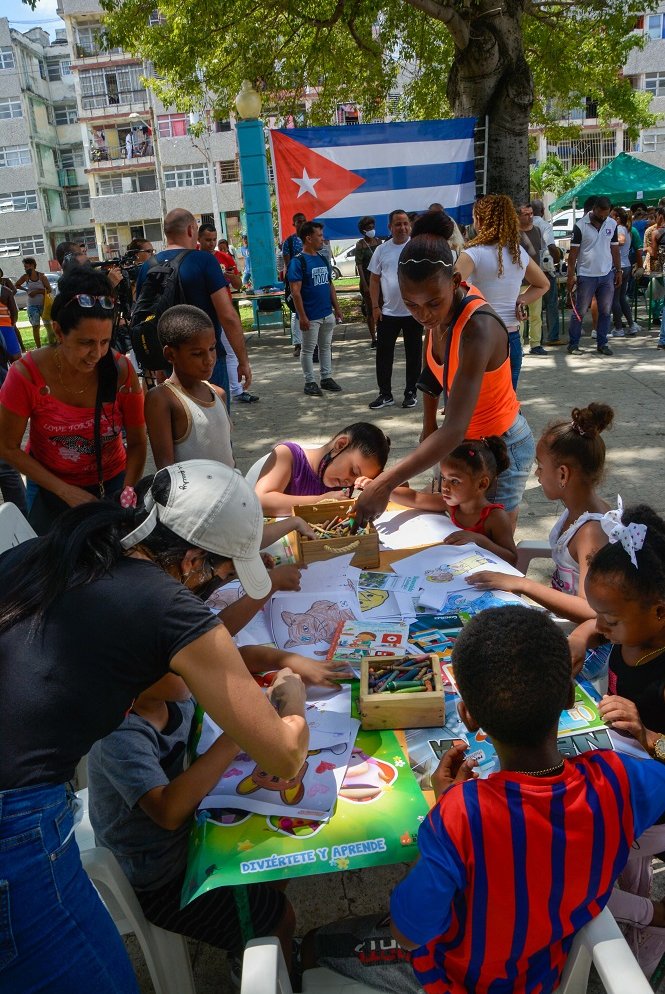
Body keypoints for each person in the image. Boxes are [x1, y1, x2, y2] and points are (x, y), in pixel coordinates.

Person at [0, 459, 309, 991]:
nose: (220, 586)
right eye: (223, 572)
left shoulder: (74, 543)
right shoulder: (165, 605)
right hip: (16, 818)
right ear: (191, 560)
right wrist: (293, 699)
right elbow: (282, 755)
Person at [302, 606, 665, 994]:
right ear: (567, 698)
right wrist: (652, 739)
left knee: (315, 945)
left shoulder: (461, 814)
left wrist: (445, 810)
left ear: (468, 716)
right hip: (544, 968)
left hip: (458, 980)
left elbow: (408, 933)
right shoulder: (619, 778)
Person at [87, 669, 298, 972]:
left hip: (196, 834)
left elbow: (233, 670)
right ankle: (275, 964)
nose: (193, 662)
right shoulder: (118, 735)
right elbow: (168, 813)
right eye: (178, 657)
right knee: (280, 918)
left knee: (277, 856)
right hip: (161, 880)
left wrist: (278, 668)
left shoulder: (176, 696)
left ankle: (248, 942)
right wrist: (238, 734)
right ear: (134, 666)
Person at [353, 210, 536, 532]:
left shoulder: (477, 328)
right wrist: (426, 428)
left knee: (490, 537)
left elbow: (453, 427)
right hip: (460, 445)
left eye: (433, 303)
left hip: (500, 447)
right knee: (447, 526)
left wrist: (384, 484)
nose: (423, 315)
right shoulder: (437, 314)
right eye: (411, 305)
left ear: (455, 282)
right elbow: (431, 377)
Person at [569, 504, 665, 978]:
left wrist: (649, 734)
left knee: (592, 843)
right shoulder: (630, 631)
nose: (602, 626)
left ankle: (644, 932)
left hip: (657, 797)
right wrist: (583, 633)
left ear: (659, 610)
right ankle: (620, 913)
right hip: (625, 769)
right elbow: (596, 628)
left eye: (609, 618)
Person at [0, 268, 146, 535]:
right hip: (50, 489)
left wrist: (127, 489)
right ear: (58, 331)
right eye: (86, 342)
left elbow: (137, 442)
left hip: (112, 483)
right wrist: (66, 492)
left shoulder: (121, 371)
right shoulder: (26, 375)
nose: (97, 354)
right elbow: (7, 447)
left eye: (104, 341)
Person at [468, 402, 614, 624]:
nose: (537, 473)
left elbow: (590, 611)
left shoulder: (592, 533)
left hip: (576, 636)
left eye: (541, 467)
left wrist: (522, 583)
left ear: (563, 474)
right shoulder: (589, 508)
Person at [135, 208, 252, 405]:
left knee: (181, 427)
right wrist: (243, 361)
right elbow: (228, 316)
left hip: (170, 361)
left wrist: (155, 365)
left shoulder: (148, 266)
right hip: (206, 359)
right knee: (215, 424)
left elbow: (144, 317)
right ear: (191, 230)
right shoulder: (204, 261)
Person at [456, 195, 549, 388]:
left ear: (480, 221)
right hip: (511, 338)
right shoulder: (518, 253)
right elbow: (543, 284)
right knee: (507, 404)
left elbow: (449, 291)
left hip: (479, 337)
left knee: (477, 405)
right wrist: (520, 300)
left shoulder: (472, 253)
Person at [391, 435, 518, 563]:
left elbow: (512, 558)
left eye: (455, 481)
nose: (444, 486)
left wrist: (479, 540)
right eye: (444, 478)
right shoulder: (450, 504)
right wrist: (384, 489)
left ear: (482, 484)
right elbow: (415, 498)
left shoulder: (495, 517)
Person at [145, 305, 234, 469]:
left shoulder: (218, 393)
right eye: (197, 353)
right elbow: (167, 470)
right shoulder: (162, 399)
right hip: (191, 494)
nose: (209, 360)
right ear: (171, 355)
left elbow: (228, 456)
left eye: (212, 348)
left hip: (229, 490)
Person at [253, 422, 391, 516]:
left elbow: (404, 490)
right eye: (353, 471)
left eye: (357, 479)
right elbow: (260, 501)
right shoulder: (288, 455)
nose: (349, 483)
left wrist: (375, 486)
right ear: (340, 445)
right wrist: (320, 501)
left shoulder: (345, 482)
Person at [367, 209, 422, 410]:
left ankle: (410, 392)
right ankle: (385, 394)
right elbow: (374, 279)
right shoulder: (382, 250)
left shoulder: (417, 248)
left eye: (406, 223)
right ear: (390, 227)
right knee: (383, 355)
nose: (403, 228)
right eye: (398, 224)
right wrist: (375, 306)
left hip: (413, 313)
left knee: (414, 355)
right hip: (388, 313)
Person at [198, 222, 258, 403]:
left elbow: (239, 284)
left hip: (223, 312)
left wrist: (232, 277)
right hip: (202, 315)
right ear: (198, 239)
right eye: (207, 240)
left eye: (214, 240)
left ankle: (237, 391)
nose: (211, 243)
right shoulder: (193, 259)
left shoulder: (224, 258)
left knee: (231, 352)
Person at [287, 221, 344, 397]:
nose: (322, 239)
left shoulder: (321, 258)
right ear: (308, 238)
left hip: (327, 313)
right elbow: (295, 293)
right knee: (308, 349)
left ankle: (326, 378)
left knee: (326, 347)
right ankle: (309, 381)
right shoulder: (298, 262)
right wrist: (302, 316)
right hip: (310, 316)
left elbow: (329, 285)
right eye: (319, 236)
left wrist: (337, 308)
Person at [566, 195, 622, 357]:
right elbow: (573, 255)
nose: (604, 217)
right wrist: (571, 276)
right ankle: (573, 344)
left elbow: (615, 249)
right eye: (601, 214)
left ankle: (602, 343)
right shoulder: (580, 226)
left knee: (605, 311)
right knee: (580, 311)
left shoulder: (612, 224)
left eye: (607, 214)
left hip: (606, 274)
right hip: (586, 275)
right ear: (595, 209)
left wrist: (618, 270)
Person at [530, 198, 563, 345]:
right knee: (551, 304)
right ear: (543, 211)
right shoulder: (545, 226)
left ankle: (534, 338)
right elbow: (551, 247)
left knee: (532, 307)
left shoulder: (525, 225)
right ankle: (552, 336)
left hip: (528, 270)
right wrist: (557, 260)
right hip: (544, 270)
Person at [518, 203, 548, 355]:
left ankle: (535, 344)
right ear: (518, 216)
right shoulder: (513, 233)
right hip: (519, 281)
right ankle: (519, 344)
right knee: (519, 315)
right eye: (526, 214)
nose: (530, 217)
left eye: (531, 214)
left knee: (536, 314)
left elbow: (540, 253)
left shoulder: (537, 230)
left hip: (535, 281)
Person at [611, 207, 640, 337]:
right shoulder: (627, 229)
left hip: (620, 267)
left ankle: (618, 328)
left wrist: (611, 242)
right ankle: (631, 325)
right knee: (621, 297)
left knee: (615, 299)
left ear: (617, 218)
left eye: (611, 216)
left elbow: (621, 241)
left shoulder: (620, 229)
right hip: (626, 265)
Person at [354, 216, 382, 348]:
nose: (372, 230)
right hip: (367, 280)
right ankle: (374, 338)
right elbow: (359, 265)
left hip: (381, 280)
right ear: (363, 230)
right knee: (371, 309)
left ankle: (382, 334)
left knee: (382, 307)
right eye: (369, 228)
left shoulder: (378, 241)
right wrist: (364, 284)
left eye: (373, 227)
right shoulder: (360, 245)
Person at [282, 212, 306, 357]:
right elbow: (288, 264)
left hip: (309, 281)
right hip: (295, 281)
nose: (301, 223)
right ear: (294, 224)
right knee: (296, 312)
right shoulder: (289, 242)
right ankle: (298, 344)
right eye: (298, 221)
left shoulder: (310, 239)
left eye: (303, 221)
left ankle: (311, 343)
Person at [15, 257, 51, 348]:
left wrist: (37, 292)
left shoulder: (42, 276)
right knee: (35, 326)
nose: (25, 269)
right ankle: (39, 347)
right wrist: (26, 290)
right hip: (32, 306)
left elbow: (49, 289)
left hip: (44, 304)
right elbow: (17, 284)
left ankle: (52, 344)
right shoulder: (25, 277)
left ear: (32, 266)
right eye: (24, 267)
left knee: (48, 325)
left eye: (26, 266)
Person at [0, 279, 21, 361]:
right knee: (15, 357)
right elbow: (14, 312)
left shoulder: (6, 291)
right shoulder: (6, 291)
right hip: (6, 326)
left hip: (6, 327)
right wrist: (12, 323)